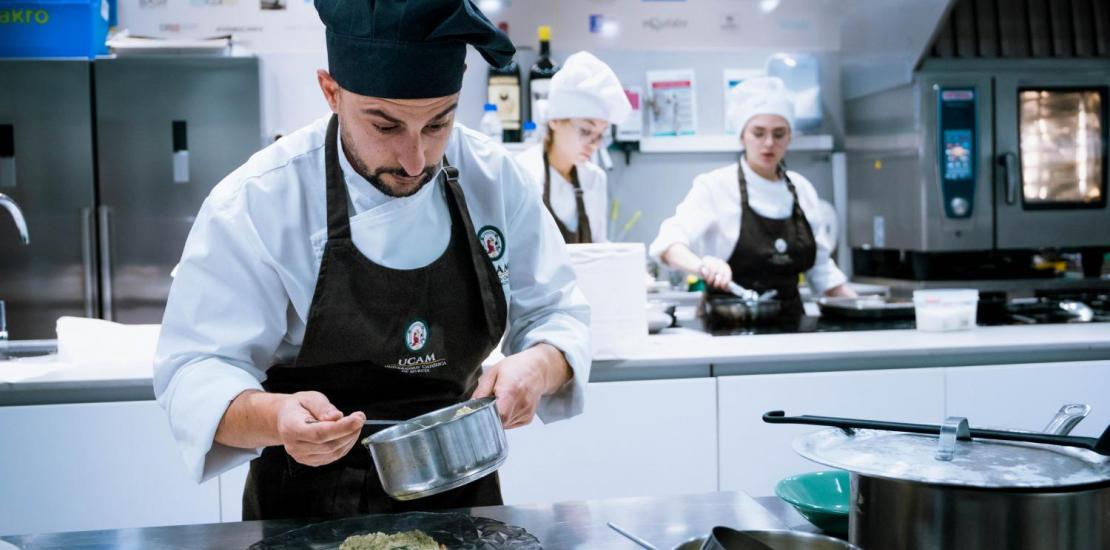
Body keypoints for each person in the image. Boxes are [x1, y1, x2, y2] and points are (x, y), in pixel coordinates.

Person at [153, 0, 591, 521]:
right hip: (303, 507)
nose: (415, 160)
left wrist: (537, 368)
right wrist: (275, 417)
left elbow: (558, 314)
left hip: (463, 498)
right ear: (331, 92)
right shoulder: (260, 200)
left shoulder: (494, 178)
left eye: (438, 125)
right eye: (386, 127)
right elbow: (196, 369)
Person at [649, 76, 855, 318]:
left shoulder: (802, 189)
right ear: (741, 135)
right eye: (758, 133)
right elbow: (668, 244)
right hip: (726, 323)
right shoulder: (715, 186)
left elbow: (821, 271)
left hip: (791, 325)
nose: (769, 143)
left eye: (779, 134)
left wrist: (868, 310)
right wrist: (703, 266)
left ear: (789, 137)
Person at [515, 51, 631, 244]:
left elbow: (599, 245)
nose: (594, 145)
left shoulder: (594, 179)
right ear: (555, 121)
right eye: (586, 131)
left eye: (600, 135)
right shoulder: (523, 173)